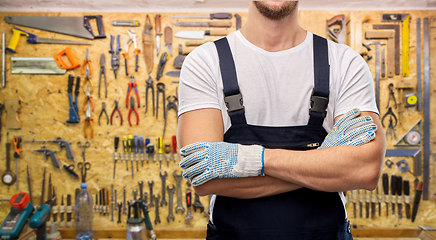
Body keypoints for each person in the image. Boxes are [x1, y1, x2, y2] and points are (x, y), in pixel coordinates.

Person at [177, 1, 386, 239]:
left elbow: (366, 170)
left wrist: (250, 160)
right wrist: (323, 159)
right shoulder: (205, 62)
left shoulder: (345, 63)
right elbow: (205, 178)